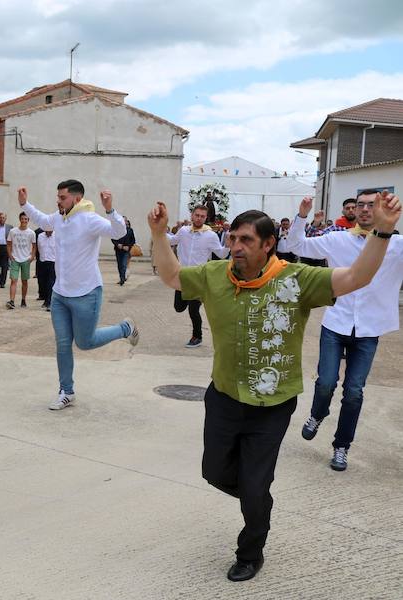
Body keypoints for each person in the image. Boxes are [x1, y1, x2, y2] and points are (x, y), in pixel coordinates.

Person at [147, 193, 400, 582]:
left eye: (246, 240)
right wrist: (159, 234)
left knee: (253, 483)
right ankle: (257, 498)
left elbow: (355, 277)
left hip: (273, 403)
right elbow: (172, 276)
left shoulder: (296, 280)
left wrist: (382, 231)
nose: (235, 248)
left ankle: (250, 551)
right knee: (214, 472)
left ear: (269, 244)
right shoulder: (216, 275)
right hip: (225, 397)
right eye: (232, 239)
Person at [289, 191, 403, 471]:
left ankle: (341, 447)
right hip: (336, 322)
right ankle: (317, 414)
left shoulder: (398, 245)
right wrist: (302, 215)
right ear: (353, 209)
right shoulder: (337, 238)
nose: (365, 210)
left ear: (381, 209)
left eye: (371, 205)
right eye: (360, 205)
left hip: (369, 329)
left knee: (353, 391)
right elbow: (296, 244)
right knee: (326, 382)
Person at [19, 181, 139, 410]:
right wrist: (25, 204)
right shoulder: (59, 217)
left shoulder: (89, 219)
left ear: (75, 199)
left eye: (62, 197)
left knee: (85, 342)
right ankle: (67, 391)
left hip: (86, 293)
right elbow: (43, 220)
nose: (58, 201)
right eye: (58, 197)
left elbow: (119, 232)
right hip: (60, 295)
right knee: (63, 344)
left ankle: (125, 329)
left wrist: (110, 210)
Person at [167, 205, 229, 348]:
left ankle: (197, 336)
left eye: (202, 216)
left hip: (198, 277)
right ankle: (192, 301)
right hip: (182, 275)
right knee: (178, 307)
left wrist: (228, 244)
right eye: (197, 215)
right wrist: (159, 230)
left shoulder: (210, 235)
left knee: (193, 309)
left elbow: (221, 254)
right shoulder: (183, 231)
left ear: (206, 218)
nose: (199, 218)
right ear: (192, 216)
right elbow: (171, 241)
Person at [6, 212, 36, 309]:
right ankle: (12, 301)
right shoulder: (13, 231)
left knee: (24, 281)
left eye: (25, 219)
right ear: (20, 219)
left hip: (26, 260)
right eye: (22, 219)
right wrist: (10, 255)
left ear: (28, 220)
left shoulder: (31, 233)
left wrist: (32, 257)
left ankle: (23, 300)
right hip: (15, 259)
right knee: (13, 280)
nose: (24, 220)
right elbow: (9, 244)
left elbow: (34, 246)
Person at [36, 228, 56, 310]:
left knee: (50, 282)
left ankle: (49, 301)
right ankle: (45, 298)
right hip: (42, 261)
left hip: (53, 262)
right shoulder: (40, 236)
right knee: (42, 281)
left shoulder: (57, 236)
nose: (49, 232)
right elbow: (39, 248)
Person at [112, 218, 136, 285]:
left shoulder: (130, 230)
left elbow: (133, 240)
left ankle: (123, 278)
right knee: (119, 265)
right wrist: (117, 244)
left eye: (124, 220)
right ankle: (121, 278)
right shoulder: (116, 229)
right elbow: (113, 238)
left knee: (124, 264)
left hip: (126, 250)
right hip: (118, 250)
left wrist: (128, 246)